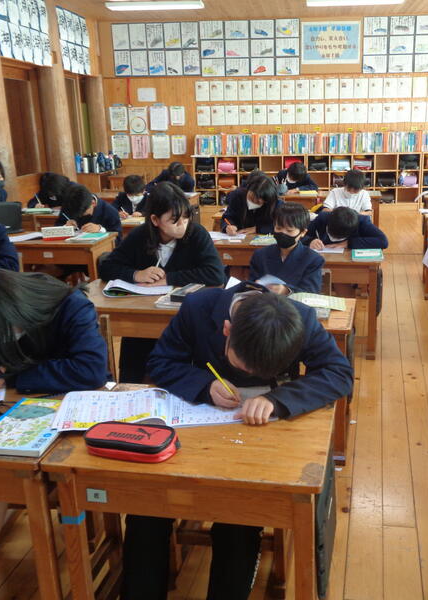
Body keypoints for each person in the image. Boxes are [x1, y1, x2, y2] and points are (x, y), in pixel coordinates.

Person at [122, 289, 353, 600]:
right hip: (196, 428)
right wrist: (205, 385)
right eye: (244, 367)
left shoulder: (299, 320)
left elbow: (339, 373)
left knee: (240, 516)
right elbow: (161, 362)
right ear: (226, 330)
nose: (250, 375)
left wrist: (276, 399)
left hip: (260, 437)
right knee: (147, 506)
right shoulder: (199, 307)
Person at [0, 269, 108, 600]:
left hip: (76, 409)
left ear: (16, 309)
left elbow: (91, 369)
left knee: (7, 473)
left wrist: (17, 376)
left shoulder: (69, 304)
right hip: (15, 412)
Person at [99, 182, 225, 383]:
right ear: (155, 220)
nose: (182, 224)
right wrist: (136, 275)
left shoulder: (196, 234)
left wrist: (169, 278)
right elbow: (107, 267)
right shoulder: (140, 236)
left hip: (184, 316)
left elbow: (216, 274)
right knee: (135, 358)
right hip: (143, 316)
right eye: (174, 220)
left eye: (186, 217)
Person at [249, 202, 324, 294]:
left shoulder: (313, 260)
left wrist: (287, 290)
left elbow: (311, 293)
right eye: (279, 228)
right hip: (264, 302)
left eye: (289, 230)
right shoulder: (260, 255)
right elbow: (251, 286)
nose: (283, 233)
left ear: (303, 232)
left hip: (294, 303)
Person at [56, 183, 122, 245]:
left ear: (93, 203)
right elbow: (56, 228)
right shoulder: (69, 205)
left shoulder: (110, 211)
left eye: (83, 213)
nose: (79, 216)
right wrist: (65, 227)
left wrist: (101, 229)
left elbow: (118, 240)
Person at [304, 206, 389, 250]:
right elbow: (301, 234)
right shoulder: (323, 218)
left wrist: (348, 243)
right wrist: (310, 241)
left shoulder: (362, 222)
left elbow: (383, 241)